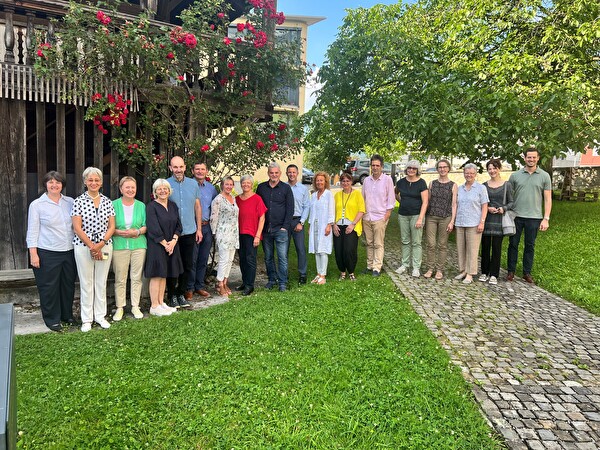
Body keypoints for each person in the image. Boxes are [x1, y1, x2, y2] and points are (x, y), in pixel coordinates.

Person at [26, 171, 76, 332]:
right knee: (49, 287)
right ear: (45, 184)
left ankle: (66, 315)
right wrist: (33, 254)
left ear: (62, 185)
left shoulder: (70, 202)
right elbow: (32, 231)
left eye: (58, 182)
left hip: (69, 251)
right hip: (47, 252)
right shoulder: (37, 205)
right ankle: (52, 319)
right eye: (51, 182)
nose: (54, 185)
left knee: (67, 285)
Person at [71, 167, 115, 332]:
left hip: (104, 245)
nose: (94, 183)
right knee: (86, 282)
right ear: (85, 182)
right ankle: (87, 319)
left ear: (101, 182)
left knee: (101, 281)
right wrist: (91, 246)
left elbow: (112, 226)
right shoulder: (79, 201)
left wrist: (100, 244)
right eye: (90, 180)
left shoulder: (107, 201)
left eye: (97, 180)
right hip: (83, 247)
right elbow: (77, 227)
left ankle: (100, 316)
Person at [507, 147, 552, 284]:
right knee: (513, 244)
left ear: (538, 158)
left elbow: (548, 199)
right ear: (524, 158)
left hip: (534, 217)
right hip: (516, 216)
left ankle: (527, 272)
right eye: (529, 157)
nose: (531, 159)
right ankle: (510, 271)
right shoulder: (515, 176)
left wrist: (546, 218)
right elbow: (508, 196)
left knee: (530, 245)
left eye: (534, 157)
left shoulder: (544, 176)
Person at [167, 156, 201, 308]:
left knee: (188, 264)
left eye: (181, 167)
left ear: (185, 167)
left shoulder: (193, 184)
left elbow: (197, 207)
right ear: (170, 168)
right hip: (172, 234)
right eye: (175, 167)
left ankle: (182, 294)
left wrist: (199, 228)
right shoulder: (165, 184)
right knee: (173, 266)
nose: (178, 170)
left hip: (189, 231)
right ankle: (172, 295)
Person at [145, 179, 182, 316]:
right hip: (157, 245)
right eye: (159, 189)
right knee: (157, 274)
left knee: (164, 273)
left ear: (169, 190)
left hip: (171, 245)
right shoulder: (151, 207)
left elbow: (179, 226)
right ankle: (154, 306)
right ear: (155, 192)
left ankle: (161, 303)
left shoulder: (173, 205)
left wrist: (173, 241)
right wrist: (165, 244)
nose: (162, 191)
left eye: (165, 188)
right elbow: (153, 227)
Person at [111, 176, 147, 320]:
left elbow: (145, 226)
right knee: (120, 278)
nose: (130, 190)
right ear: (121, 189)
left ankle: (135, 306)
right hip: (119, 245)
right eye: (127, 187)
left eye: (133, 187)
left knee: (136, 277)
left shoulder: (141, 205)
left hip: (138, 245)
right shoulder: (113, 204)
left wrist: (137, 232)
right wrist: (119, 232)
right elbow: (108, 227)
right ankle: (120, 307)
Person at [256, 162, 294, 291]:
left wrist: (285, 227)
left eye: (276, 173)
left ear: (280, 173)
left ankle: (283, 282)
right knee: (268, 257)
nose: (274, 175)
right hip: (266, 229)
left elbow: (290, 209)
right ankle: (272, 279)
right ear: (268, 173)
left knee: (282, 257)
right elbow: (258, 207)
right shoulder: (261, 188)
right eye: (271, 173)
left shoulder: (286, 188)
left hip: (280, 229)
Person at [480, 159, 513, 286]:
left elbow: (512, 202)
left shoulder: (507, 185)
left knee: (497, 248)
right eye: (490, 169)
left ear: (499, 169)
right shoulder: (483, 185)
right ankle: (484, 272)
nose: (492, 171)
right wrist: (487, 208)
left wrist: (503, 209)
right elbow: (480, 202)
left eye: (495, 168)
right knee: (485, 246)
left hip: (500, 220)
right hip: (486, 219)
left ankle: (494, 274)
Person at [454, 164, 489, 284]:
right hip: (460, 222)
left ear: (475, 174)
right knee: (461, 248)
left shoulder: (481, 188)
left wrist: (482, 222)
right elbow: (456, 205)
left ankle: (470, 273)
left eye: (471, 173)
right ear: (464, 173)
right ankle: (463, 270)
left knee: (472, 249)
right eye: (467, 173)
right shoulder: (459, 188)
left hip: (474, 223)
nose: (469, 175)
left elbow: (484, 206)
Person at [362, 154, 395, 276]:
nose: (375, 168)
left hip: (380, 217)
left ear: (381, 167)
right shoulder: (366, 180)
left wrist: (385, 218)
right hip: (367, 217)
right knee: (369, 243)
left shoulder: (387, 180)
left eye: (377, 165)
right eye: (373, 165)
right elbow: (362, 199)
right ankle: (369, 265)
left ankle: (377, 267)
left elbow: (391, 201)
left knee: (378, 244)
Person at [423, 159, 457, 280]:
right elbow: (427, 201)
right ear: (437, 169)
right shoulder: (432, 183)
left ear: (448, 168)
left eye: (444, 167)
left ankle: (439, 270)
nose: (442, 169)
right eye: (440, 167)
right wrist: (423, 216)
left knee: (442, 245)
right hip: (431, 217)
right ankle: (430, 268)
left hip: (445, 218)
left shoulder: (453, 185)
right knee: (431, 244)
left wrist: (452, 221)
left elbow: (454, 205)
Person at [394, 160, 428, 277]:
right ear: (406, 169)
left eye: (414, 168)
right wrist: (402, 202)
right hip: (403, 215)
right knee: (405, 241)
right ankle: (405, 264)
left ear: (417, 170)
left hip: (416, 215)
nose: (411, 170)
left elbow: (425, 202)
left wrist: (420, 218)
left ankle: (416, 267)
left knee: (416, 242)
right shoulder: (401, 182)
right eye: (409, 168)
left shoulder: (421, 183)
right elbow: (395, 193)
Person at [188, 162, 217, 298]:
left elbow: (215, 208)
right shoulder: (188, 186)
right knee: (191, 259)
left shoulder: (211, 188)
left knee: (203, 258)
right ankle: (189, 287)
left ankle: (199, 286)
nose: (200, 172)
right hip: (192, 227)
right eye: (197, 169)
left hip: (207, 227)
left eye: (203, 169)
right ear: (193, 171)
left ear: (206, 171)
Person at [236, 175, 267, 296]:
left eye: (248, 183)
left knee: (250, 260)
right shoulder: (237, 199)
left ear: (252, 184)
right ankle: (244, 282)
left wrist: (258, 235)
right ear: (241, 184)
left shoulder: (257, 199)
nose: (246, 185)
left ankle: (250, 285)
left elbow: (262, 218)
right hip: (239, 233)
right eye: (244, 183)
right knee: (242, 259)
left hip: (252, 234)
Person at [332, 172, 365, 281]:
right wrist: (334, 224)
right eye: (343, 181)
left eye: (347, 181)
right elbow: (332, 212)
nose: (345, 183)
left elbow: (361, 210)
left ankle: (351, 272)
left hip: (351, 226)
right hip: (338, 226)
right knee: (339, 250)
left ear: (351, 182)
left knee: (349, 250)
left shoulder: (357, 194)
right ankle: (342, 272)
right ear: (340, 183)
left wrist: (353, 224)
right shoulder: (337, 195)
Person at [210, 177, 239, 297]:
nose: (229, 186)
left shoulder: (233, 198)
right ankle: (219, 284)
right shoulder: (218, 199)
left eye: (231, 184)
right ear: (222, 185)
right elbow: (213, 217)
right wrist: (214, 234)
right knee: (223, 259)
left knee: (230, 259)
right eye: (226, 184)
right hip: (223, 233)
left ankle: (225, 281)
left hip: (233, 233)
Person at [307, 172, 335, 284]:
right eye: (317, 180)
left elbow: (331, 210)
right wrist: (310, 225)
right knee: (316, 250)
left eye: (321, 180)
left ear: (325, 182)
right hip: (315, 225)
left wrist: (329, 225)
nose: (319, 182)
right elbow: (311, 211)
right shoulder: (313, 195)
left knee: (323, 250)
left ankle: (323, 275)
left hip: (324, 225)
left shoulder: (328, 194)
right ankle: (318, 274)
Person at [286, 164, 310, 285]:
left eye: (293, 172)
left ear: (297, 173)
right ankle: (283, 274)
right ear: (286, 173)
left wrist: (301, 222)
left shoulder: (303, 189)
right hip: (285, 222)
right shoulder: (283, 187)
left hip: (297, 221)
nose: (291, 174)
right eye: (289, 172)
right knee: (283, 249)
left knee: (300, 249)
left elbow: (306, 206)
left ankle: (303, 273)